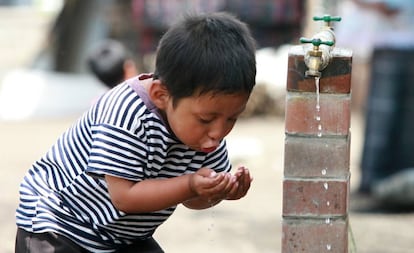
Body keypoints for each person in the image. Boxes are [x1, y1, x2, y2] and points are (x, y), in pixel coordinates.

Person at [15, 12, 256, 252]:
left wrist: (219, 192)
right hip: (60, 225)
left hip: (119, 236)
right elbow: (125, 197)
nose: (218, 132)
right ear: (161, 95)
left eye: (232, 118)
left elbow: (191, 200)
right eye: (207, 119)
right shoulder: (127, 113)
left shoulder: (205, 136)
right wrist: (191, 184)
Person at [354, 0, 414, 208]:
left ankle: (402, 185)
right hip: (386, 42)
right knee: (382, 115)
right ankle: (373, 184)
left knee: (407, 121)